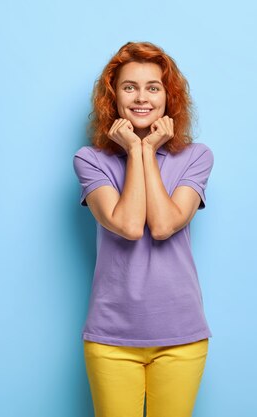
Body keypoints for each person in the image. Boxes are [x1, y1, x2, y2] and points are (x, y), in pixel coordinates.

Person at [73, 41, 214, 417]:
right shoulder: (91, 160)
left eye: (153, 87)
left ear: (169, 98)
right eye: (129, 86)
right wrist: (136, 150)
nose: (142, 97)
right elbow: (130, 226)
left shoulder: (196, 157)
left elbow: (164, 225)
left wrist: (147, 150)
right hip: (111, 339)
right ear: (112, 97)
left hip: (181, 335)